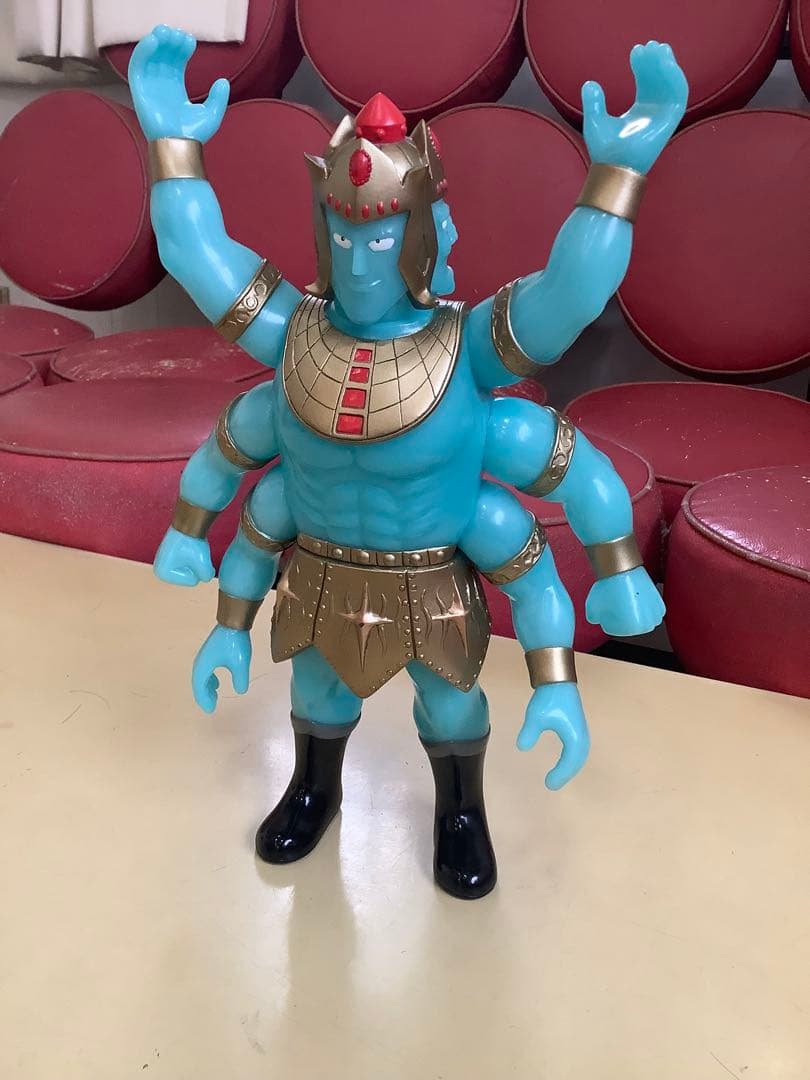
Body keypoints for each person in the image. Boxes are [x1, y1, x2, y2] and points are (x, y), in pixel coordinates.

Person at [130, 26, 687, 899]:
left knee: (452, 703)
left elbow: (570, 297)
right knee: (316, 695)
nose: (361, 262)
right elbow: (196, 257)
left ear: (422, 234)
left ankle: (460, 810)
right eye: (345, 234)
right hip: (318, 575)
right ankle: (314, 787)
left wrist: (619, 169)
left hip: (435, 582)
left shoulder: (468, 350)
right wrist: (172, 142)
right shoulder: (290, 337)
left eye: (383, 236)